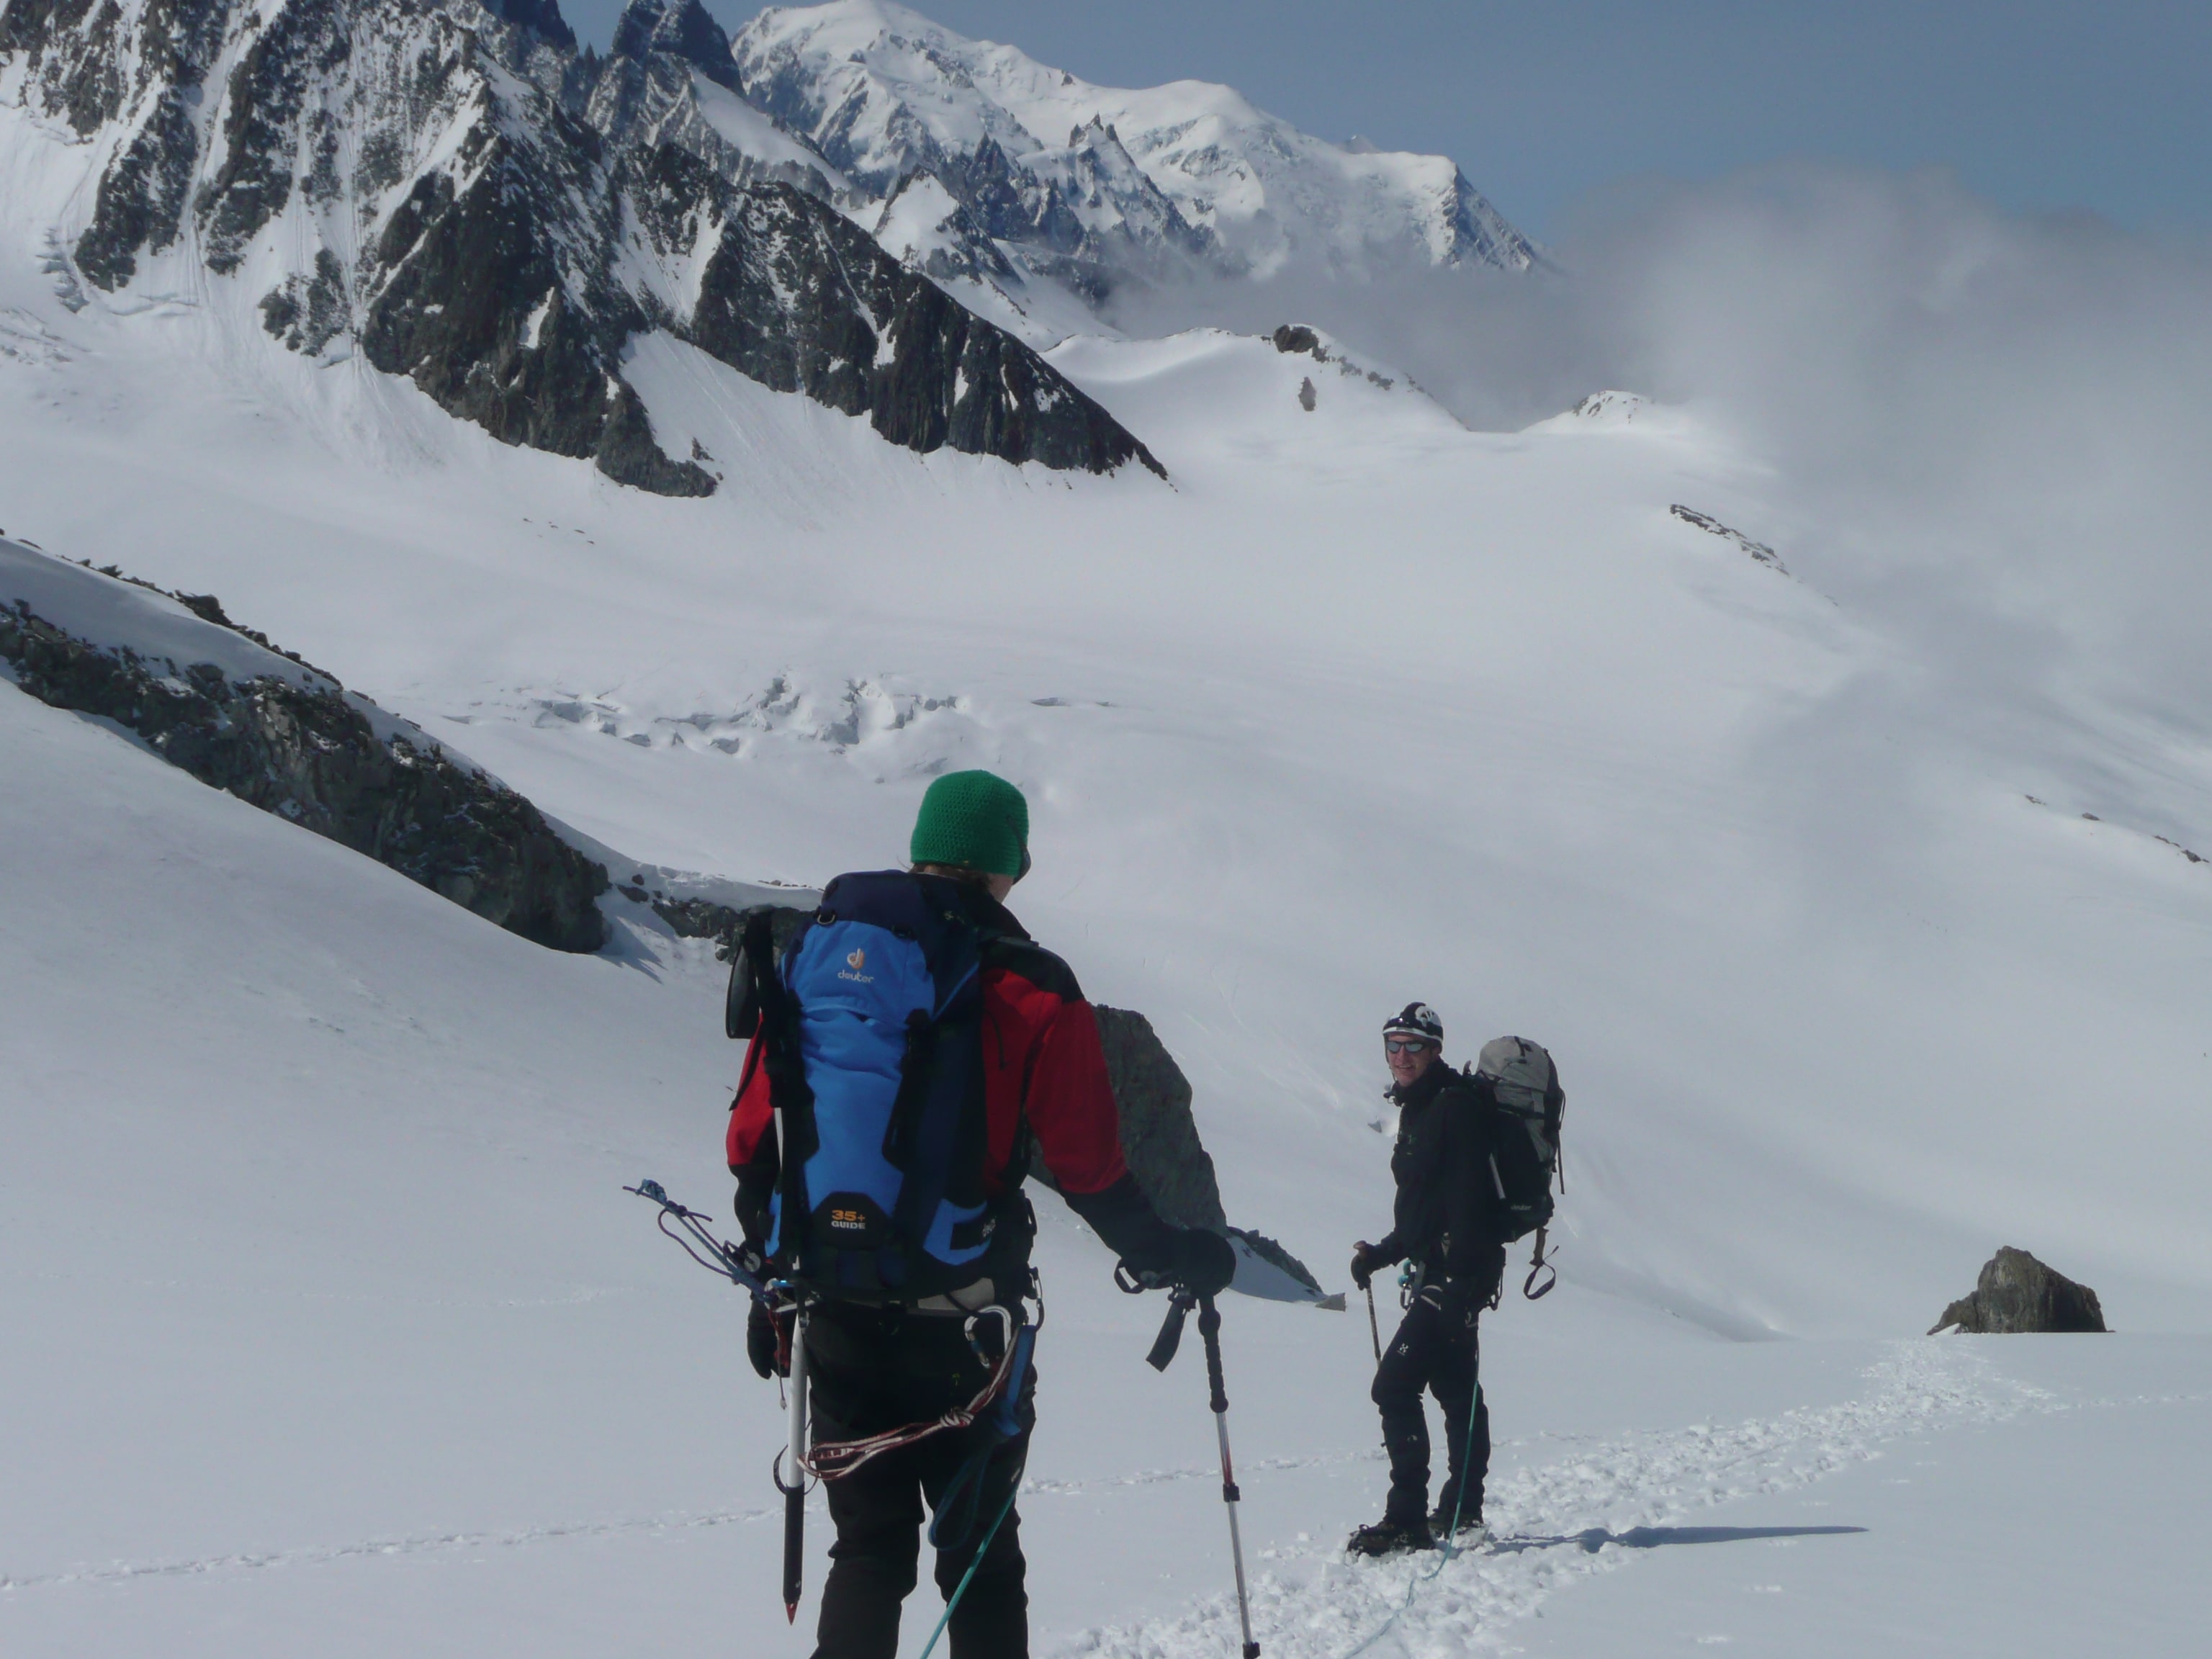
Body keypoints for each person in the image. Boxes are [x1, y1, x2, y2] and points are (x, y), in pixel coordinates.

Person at [728, 768, 1236, 1659]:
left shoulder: (816, 957)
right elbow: (1088, 1165)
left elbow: (751, 1139)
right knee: (980, 1562)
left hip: (834, 1312)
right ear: (1010, 865)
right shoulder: (1033, 987)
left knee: (869, 1553)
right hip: (968, 1334)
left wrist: (771, 1282)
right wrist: (1178, 1253)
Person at [1345, 1002, 1509, 1555]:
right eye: (1393, 1043)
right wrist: (1384, 1253)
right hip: (1449, 1270)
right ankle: (1462, 1511)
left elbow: (1464, 1203)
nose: (1401, 1055)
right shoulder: (1423, 1105)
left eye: (1413, 1045)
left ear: (1436, 1049)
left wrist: (1459, 1283)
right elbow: (1423, 1210)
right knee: (1457, 1391)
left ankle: (1407, 1520)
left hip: (1454, 1274)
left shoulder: (1451, 1109)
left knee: (1393, 1385)